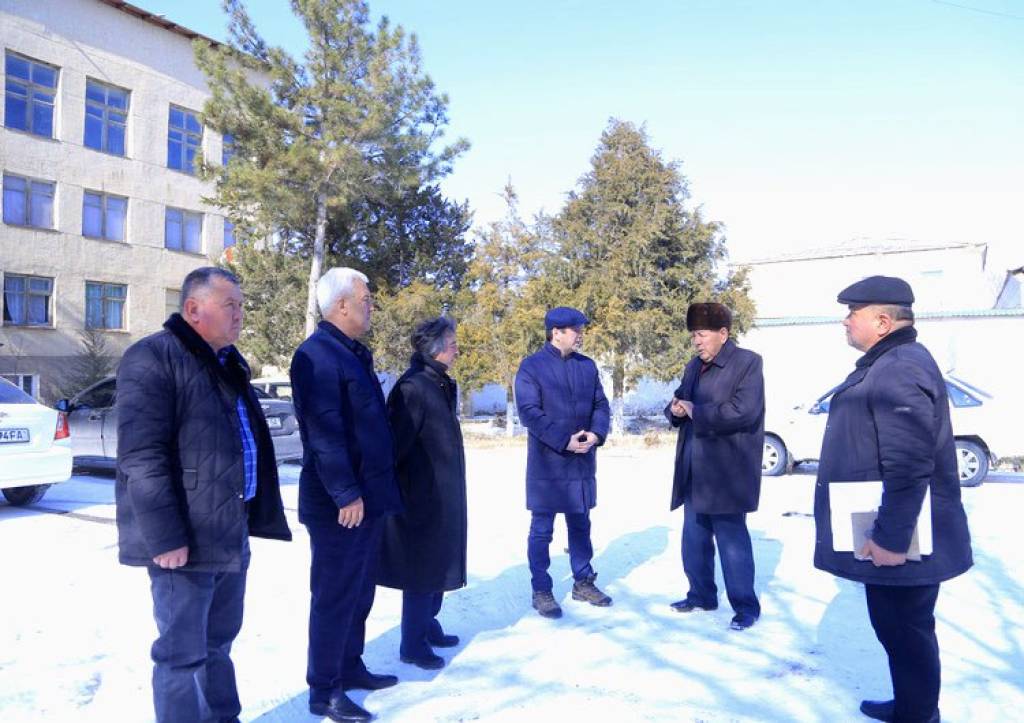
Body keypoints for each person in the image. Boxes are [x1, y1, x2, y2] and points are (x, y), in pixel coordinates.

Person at [115, 267, 291, 723]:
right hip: (183, 542)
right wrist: (165, 538)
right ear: (193, 309)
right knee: (181, 655)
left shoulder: (226, 362)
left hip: (228, 528)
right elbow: (142, 457)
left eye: (242, 305)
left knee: (218, 644)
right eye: (230, 305)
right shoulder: (152, 357)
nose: (240, 314)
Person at [814, 276, 972, 723]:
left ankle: (919, 714)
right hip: (895, 526)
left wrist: (891, 539)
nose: (845, 321)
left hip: (902, 534)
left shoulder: (899, 367)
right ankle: (912, 706)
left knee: (906, 630)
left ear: (883, 322)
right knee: (900, 630)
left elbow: (909, 463)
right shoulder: (892, 361)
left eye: (853, 313)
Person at [289, 267, 403, 723]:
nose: (371, 306)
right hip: (340, 504)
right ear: (340, 305)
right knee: (335, 595)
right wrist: (345, 493)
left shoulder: (352, 353)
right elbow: (324, 434)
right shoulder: (316, 356)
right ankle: (325, 689)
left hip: (366, 498)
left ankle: (350, 666)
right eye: (365, 299)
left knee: (359, 591)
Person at [665, 302, 764, 631]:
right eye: (693, 335)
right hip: (694, 469)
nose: (696, 341)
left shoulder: (748, 363)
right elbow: (681, 398)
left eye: (702, 334)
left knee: (732, 542)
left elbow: (744, 411)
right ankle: (701, 595)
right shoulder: (693, 366)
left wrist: (696, 411)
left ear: (723, 333)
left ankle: (745, 607)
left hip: (727, 472)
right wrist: (675, 409)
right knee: (693, 539)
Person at [378, 317, 467, 670]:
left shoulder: (439, 382)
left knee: (439, 563)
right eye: (452, 343)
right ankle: (412, 644)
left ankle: (428, 625)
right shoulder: (413, 387)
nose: (457, 349)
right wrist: (406, 493)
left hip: (442, 494)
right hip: (419, 498)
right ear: (435, 348)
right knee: (420, 570)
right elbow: (395, 448)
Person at [514, 306, 612, 619]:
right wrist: (563, 440)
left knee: (581, 525)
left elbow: (601, 404)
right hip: (548, 464)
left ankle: (583, 582)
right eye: (575, 330)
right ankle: (541, 589)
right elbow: (529, 412)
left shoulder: (587, 366)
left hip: (581, 462)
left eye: (581, 329)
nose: (580, 335)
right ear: (556, 332)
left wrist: (596, 433)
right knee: (542, 530)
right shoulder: (532, 367)